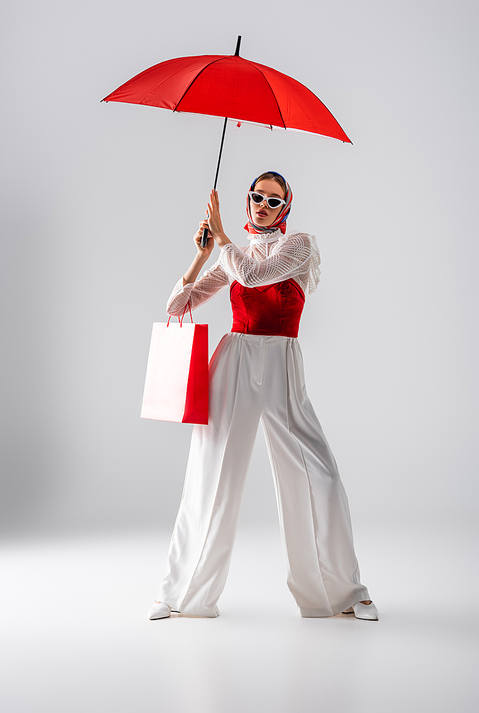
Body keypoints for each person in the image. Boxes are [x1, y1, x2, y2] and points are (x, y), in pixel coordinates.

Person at [148, 171, 378, 621]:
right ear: (248, 199)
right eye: (257, 196)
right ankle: (179, 594)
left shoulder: (300, 246)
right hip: (234, 361)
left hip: (281, 366)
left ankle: (343, 594)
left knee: (320, 477)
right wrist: (202, 256)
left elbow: (255, 276)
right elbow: (177, 306)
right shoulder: (231, 256)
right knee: (209, 475)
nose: (263, 205)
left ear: (286, 208)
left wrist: (224, 236)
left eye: (274, 201)